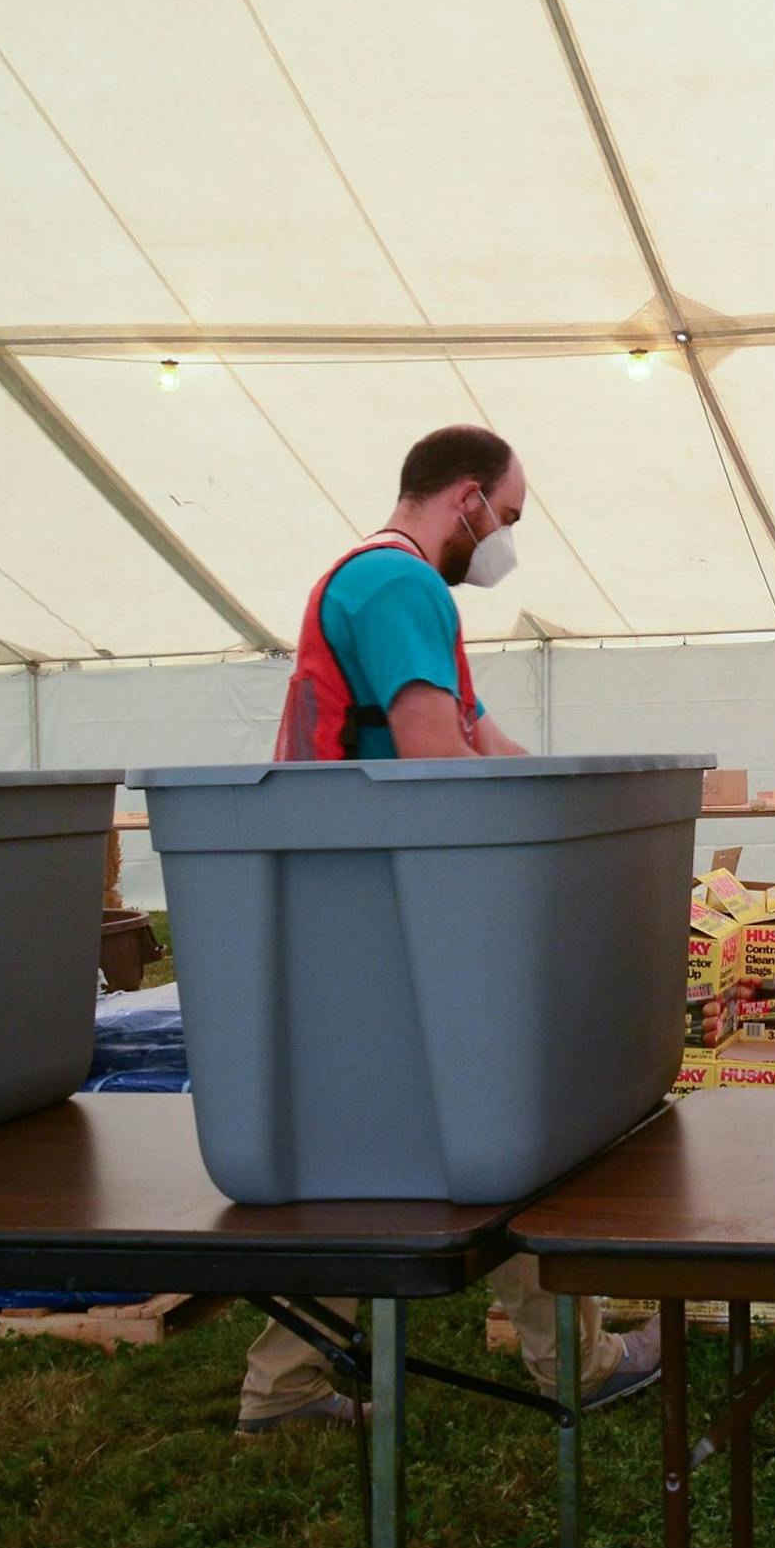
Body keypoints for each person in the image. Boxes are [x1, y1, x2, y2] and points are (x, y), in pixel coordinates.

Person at [234, 424, 661, 1434]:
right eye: (506, 517)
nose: (504, 540)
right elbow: (433, 757)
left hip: (363, 897)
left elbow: (479, 735)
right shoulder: (402, 586)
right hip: (386, 901)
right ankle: (577, 1359)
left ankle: (287, 1386)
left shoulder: (393, 592)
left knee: (413, 1146)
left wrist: (578, 802)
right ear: (464, 498)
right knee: (484, 1130)